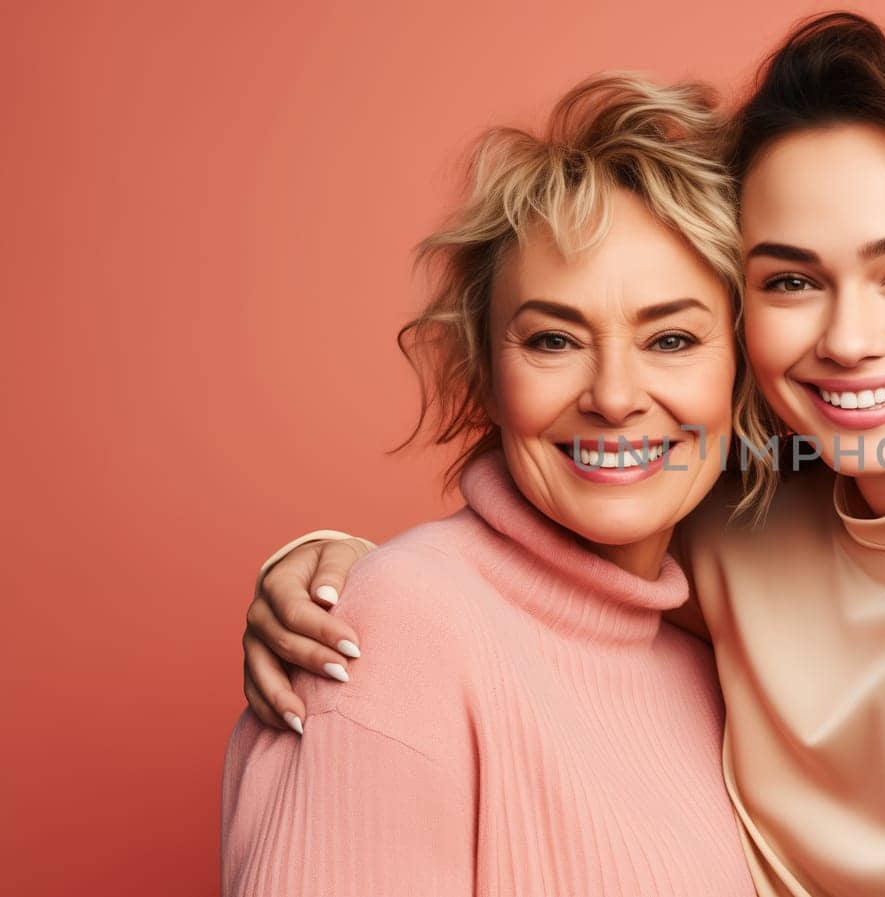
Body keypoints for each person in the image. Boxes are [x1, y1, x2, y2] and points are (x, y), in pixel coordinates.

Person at [236, 13, 885, 896]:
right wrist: (338, 568)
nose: (846, 337)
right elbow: (544, 588)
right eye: (790, 280)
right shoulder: (740, 520)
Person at [220, 74, 755, 897]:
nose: (613, 396)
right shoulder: (397, 625)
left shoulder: (714, 659)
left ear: (743, 371)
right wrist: (366, 589)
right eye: (552, 339)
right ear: (486, 375)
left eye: (673, 338)